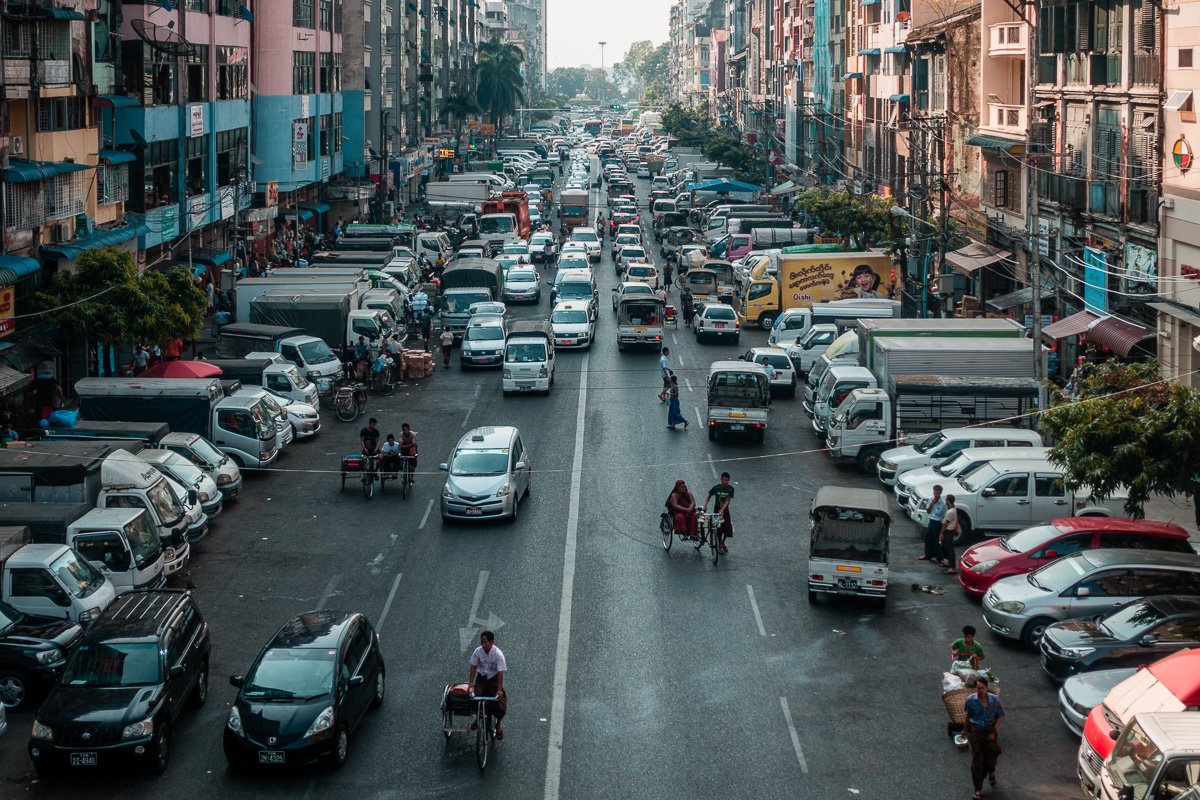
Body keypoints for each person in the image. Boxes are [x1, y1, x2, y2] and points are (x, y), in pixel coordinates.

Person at [963, 675, 1004, 800]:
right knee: (977, 762)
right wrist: (965, 729)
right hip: (976, 733)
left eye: (983, 688)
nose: (980, 691)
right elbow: (968, 715)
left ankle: (991, 772)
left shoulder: (994, 700)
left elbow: (999, 717)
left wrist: (994, 732)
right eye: (978, 688)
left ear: (987, 688)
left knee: (991, 757)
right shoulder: (970, 700)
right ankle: (978, 790)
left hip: (990, 732)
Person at [467, 630, 508, 740]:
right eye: (482, 642)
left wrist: (499, 690)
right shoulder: (478, 651)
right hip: (481, 680)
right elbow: (473, 667)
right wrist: (471, 684)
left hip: (493, 681)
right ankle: (478, 717)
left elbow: (500, 673)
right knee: (474, 698)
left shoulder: (498, 654)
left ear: (491, 642)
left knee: (500, 704)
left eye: (485, 642)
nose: (483, 644)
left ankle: (498, 725)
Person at [703, 472, 735, 554]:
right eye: (723, 480)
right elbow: (709, 495)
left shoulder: (731, 489)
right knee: (718, 528)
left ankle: (722, 542)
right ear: (721, 479)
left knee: (727, 528)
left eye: (726, 480)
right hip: (717, 509)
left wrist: (723, 510)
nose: (725, 482)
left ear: (729, 481)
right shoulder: (716, 488)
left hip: (725, 510)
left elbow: (728, 501)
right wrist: (705, 505)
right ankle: (720, 544)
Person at [919, 484, 947, 564]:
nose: (936, 495)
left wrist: (943, 529)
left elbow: (944, 516)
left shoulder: (943, 503)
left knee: (936, 540)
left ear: (940, 493)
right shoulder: (931, 499)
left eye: (937, 493)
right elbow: (928, 511)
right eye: (934, 493)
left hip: (938, 523)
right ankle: (927, 554)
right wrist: (932, 504)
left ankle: (939, 557)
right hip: (931, 521)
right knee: (927, 537)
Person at [940, 494, 961, 574]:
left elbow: (945, 524)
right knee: (946, 547)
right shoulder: (953, 509)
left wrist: (941, 533)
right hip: (949, 531)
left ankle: (952, 567)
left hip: (948, 532)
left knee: (950, 549)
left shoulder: (950, 512)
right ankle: (948, 563)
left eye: (946, 500)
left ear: (948, 501)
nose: (945, 501)